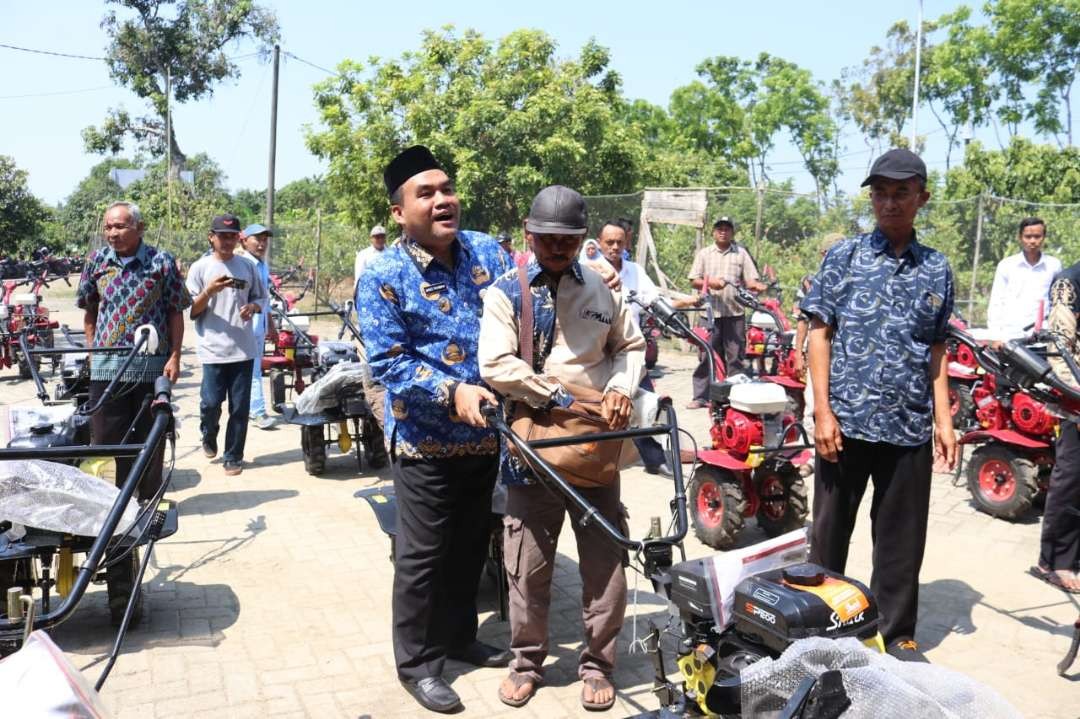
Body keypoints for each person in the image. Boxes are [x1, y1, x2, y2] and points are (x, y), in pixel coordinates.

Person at [356, 145, 511, 714]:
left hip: (487, 437)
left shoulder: (490, 254)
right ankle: (418, 665)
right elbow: (391, 363)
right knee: (422, 558)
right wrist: (453, 391)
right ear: (399, 212)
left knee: (472, 543)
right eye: (426, 193)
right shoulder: (382, 276)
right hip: (423, 443)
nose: (443, 200)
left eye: (447, 188)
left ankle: (460, 637)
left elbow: (524, 317)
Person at [479, 186, 645, 712]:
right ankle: (527, 663)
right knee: (526, 566)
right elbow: (496, 365)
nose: (556, 248)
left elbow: (631, 347)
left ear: (581, 240)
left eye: (567, 240)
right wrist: (554, 394)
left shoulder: (602, 288)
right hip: (532, 445)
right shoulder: (505, 293)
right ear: (530, 236)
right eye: (547, 238)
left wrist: (620, 387)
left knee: (604, 563)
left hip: (595, 446)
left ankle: (598, 666)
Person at [801, 148, 957, 661]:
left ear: (922, 198)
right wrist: (822, 412)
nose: (890, 203)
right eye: (881, 193)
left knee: (901, 540)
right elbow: (819, 336)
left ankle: (898, 634)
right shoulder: (843, 257)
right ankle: (820, 628)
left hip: (908, 427)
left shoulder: (937, 269)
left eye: (901, 193)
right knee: (829, 538)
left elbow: (936, 349)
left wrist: (945, 420)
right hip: (845, 422)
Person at [77, 201, 191, 501]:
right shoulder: (96, 261)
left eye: (120, 226)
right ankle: (110, 504)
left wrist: (175, 356)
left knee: (150, 438)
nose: (112, 233)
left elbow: (175, 312)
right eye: (108, 226)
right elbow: (89, 310)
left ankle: (149, 501)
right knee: (105, 440)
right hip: (106, 369)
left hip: (150, 369)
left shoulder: (161, 262)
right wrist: (92, 351)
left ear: (139, 228)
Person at [596, 218, 700, 477]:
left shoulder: (635, 271)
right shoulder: (588, 270)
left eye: (620, 242)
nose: (614, 247)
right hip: (596, 350)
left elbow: (654, 300)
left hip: (629, 349)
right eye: (609, 242)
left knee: (648, 403)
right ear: (599, 243)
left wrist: (683, 304)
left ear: (627, 243)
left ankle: (656, 458)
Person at [186, 214, 268, 476]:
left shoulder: (247, 267)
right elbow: (192, 310)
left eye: (232, 236)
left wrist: (253, 307)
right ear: (212, 237)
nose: (227, 241)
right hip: (213, 350)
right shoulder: (200, 268)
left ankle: (233, 456)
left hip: (243, 349)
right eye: (222, 236)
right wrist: (208, 292)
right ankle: (208, 435)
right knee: (211, 403)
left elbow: (261, 298)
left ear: (239, 238)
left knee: (240, 407)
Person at [686, 216, 766, 408]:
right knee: (707, 356)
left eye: (727, 228)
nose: (723, 231)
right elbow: (693, 280)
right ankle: (700, 397)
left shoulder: (741, 254)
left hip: (735, 314)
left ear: (732, 232)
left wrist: (758, 286)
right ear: (713, 232)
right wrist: (711, 282)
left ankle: (733, 398)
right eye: (719, 228)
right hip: (710, 313)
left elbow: (750, 280)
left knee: (735, 357)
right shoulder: (704, 254)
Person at [1033, 263, 1080, 593]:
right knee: (1072, 478)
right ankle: (1054, 561)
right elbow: (1060, 349)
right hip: (1076, 398)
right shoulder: (1070, 283)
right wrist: (1075, 394)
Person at [987, 218, 1061, 340]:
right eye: (1028, 236)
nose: (1032, 241)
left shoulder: (1054, 266)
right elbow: (996, 302)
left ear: (1044, 237)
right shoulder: (1006, 265)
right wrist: (996, 337)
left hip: (1043, 336)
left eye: (1037, 236)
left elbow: (1057, 301)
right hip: (1011, 337)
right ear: (1020, 237)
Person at [238, 223, 276, 430]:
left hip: (258, 327)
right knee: (250, 371)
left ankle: (252, 409)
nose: (262, 244)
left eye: (265, 240)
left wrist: (270, 324)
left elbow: (265, 299)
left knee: (253, 370)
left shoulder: (262, 265)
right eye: (257, 239)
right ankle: (257, 410)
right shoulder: (241, 263)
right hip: (243, 328)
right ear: (244, 241)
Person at [354, 224, 388, 293]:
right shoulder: (363, 255)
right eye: (377, 237)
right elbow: (359, 278)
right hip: (371, 292)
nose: (380, 239)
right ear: (371, 239)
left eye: (382, 237)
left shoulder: (392, 253)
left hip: (389, 294)